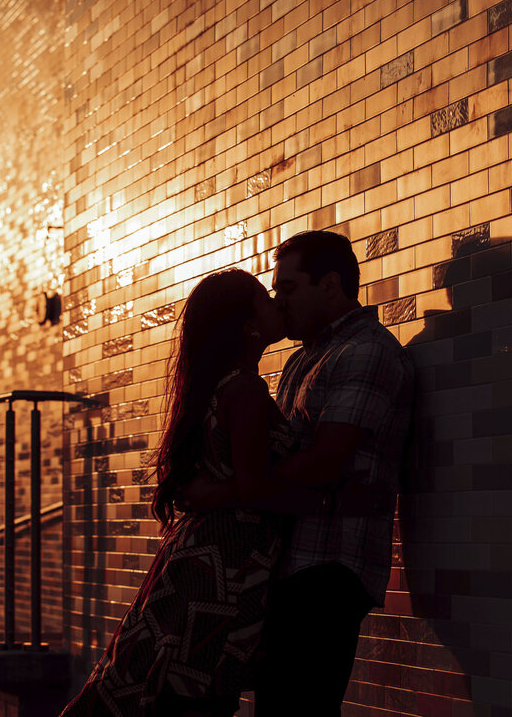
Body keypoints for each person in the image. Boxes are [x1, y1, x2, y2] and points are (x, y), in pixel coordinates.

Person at [59, 268, 344, 717]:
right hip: (225, 567)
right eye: (266, 300)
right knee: (198, 695)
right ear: (248, 324)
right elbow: (255, 486)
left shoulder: (224, 385)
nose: (278, 303)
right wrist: (329, 502)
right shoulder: (245, 388)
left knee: (170, 688)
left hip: (205, 560)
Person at [182, 230, 415, 715]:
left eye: (287, 288)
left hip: (329, 566)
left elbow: (324, 460)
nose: (278, 301)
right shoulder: (301, 360)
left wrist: (232, 490)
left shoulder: (365, 352)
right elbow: (269, 465)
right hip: (289, 562)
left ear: (330, 286)